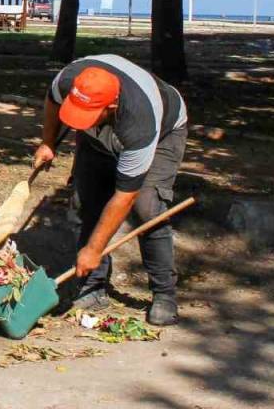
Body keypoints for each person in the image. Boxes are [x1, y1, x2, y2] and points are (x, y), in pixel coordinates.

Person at [33, 54, 188, 326]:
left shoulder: (139, 122)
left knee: (147, 206)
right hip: (99, 138)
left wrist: (93, 249)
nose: (80, 121)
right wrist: (48, 143)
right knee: (87, 198)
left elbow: (125, 196)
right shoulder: (68, 80)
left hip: (164, 132)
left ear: (113, 105)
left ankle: (164, 294)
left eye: (87, 115)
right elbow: (52, 101)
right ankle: (93, 287)